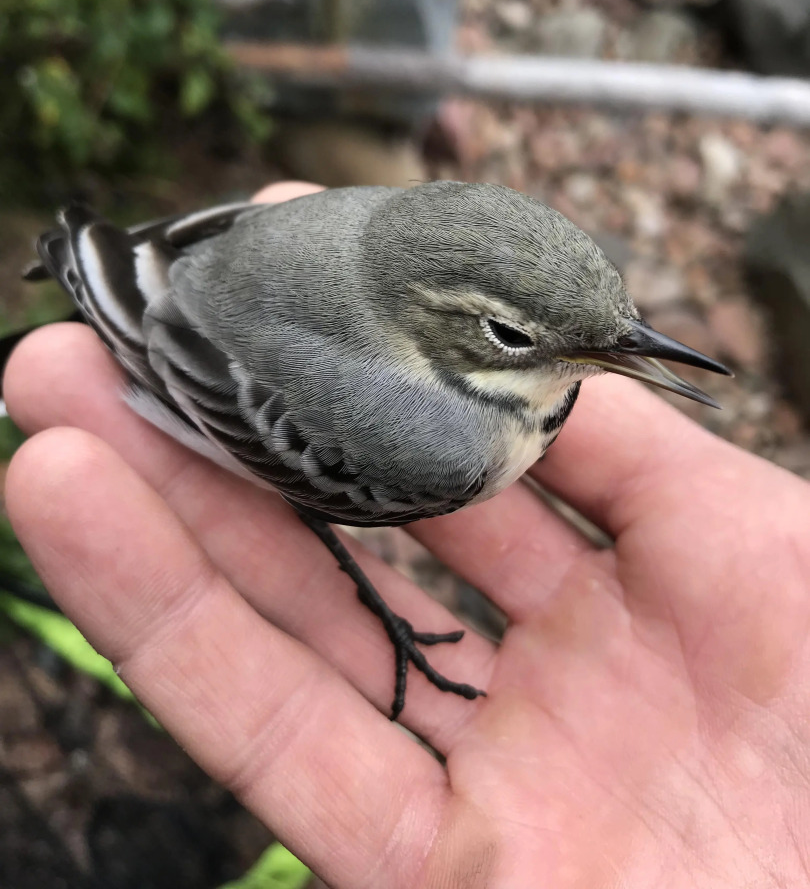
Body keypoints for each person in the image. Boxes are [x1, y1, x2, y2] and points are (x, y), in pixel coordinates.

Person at [4, 181, 810, 888]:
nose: (611, 353)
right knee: (309, 500)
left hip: (197, 255)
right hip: (167, 328)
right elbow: (292, 474)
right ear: (434, 328)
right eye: (517, 337)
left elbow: (247, 240)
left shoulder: (432, 284)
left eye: (612, 325)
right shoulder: (443, 447)